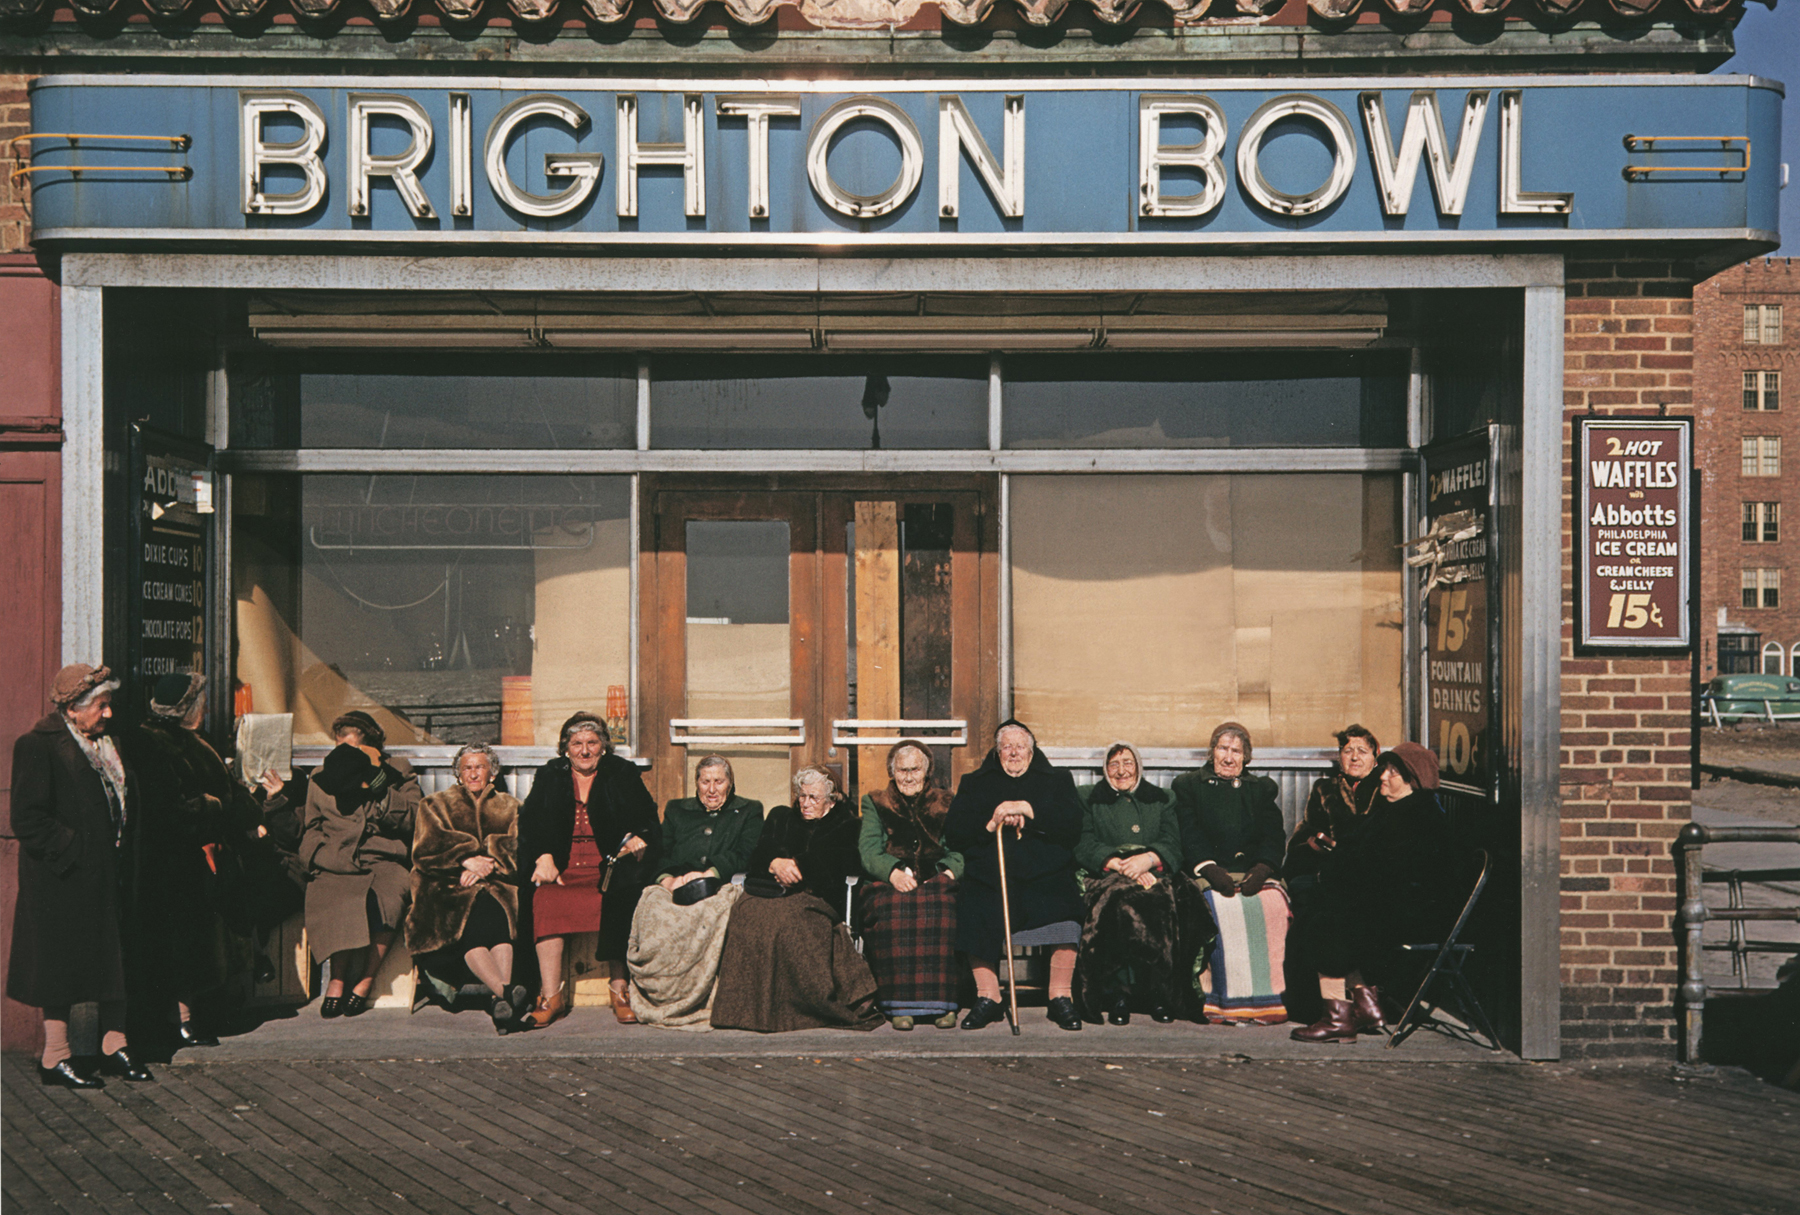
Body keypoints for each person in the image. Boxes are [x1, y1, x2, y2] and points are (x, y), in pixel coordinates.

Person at [8, 664, 152, 1087]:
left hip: (111, 875)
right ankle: (55, 1056)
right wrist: (77, 851)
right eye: (100, 706)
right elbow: (28, 819)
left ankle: (114, 1045)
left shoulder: (112, 745)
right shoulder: (38, 747)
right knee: (60, 967)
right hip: (64, 880)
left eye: (109, 704)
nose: (108, 714)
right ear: (72, 708)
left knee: (116, 960)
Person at [117, 672, 260, 1051]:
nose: (207, 708)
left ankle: (202, 1011)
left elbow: (225, 788)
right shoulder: (151, 744)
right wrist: (210, 807)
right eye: (201, 702)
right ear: (186, 708)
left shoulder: (194, 741)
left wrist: (248, 810)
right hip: (171, 860)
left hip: (204, 855)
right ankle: (180, 1020)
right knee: (179, 944)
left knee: (204, 938)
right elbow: (165, 807)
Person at [1290, 742, 1466, 1044]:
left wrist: (1338, 871)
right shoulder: (1397, 812)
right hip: (1397, 907)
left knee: (1327, 922)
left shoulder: (1417, 819)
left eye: (1393, 772)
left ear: (1413, 780)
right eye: (1385, 769)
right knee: (1325, 907)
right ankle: (1365, 1003)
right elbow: (1364, 860)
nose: (1383, 776)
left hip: (1414, 918)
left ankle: (1338, 1018)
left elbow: (1386, 873)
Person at [711, 766, 882, 1033]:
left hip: (815, 898)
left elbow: (837, 864)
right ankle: (742, 1008)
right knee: (745, 914)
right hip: (769, 891)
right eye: (801, 796)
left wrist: (798, 866)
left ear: (831, 799)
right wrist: (774, 863)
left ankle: (786, 1010)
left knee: (784, 925)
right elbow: (758, 853)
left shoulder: (847, 825)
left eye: (813, 797)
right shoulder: (781, 816)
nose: (805, 803)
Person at [517, 711, 659, 1029]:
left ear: (603, 747)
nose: (584, 750)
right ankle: (550, 996)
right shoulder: (551, 775)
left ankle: (619, 989)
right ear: (565, 748)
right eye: (577, 743)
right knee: (543, 900)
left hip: (607, 868)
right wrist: (543, 855)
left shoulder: (620, 773)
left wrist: (638, 837)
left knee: (621, 896)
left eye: (592, 743)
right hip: (563, 869)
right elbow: (529, 821)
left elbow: (648, 817)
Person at [945, 720, 1086, 1032]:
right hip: (992, 874)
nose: (1013, 752)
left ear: (1032, 752)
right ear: (997, 752)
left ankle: (1060, 996)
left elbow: (1073, 827)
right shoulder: (975, 782)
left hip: (1045, 874)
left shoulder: (1057, 780)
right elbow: (954, 834)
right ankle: (989, 997)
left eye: (1019, 746)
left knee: (1066, 900)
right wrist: (990, 823)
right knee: (974, 900)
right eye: (1006, 746)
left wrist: (1029, 810)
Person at [1072, 742, 1213, 1026]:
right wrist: (1119, 864)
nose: (1121, 770)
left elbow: (1173, 841)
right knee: (1119, 899)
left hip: (1153, 871)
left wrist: (1148, 859)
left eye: (1127, 763)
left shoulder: (1162, 798)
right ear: (1105, 769)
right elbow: (1083, 841)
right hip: (1107, 873)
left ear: (1138, 766)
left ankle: (1159, 993)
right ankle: (1118, 994)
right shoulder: (1088, 797)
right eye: (1114, 764)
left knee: (1161, 899)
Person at [626, 755, 763, 1030]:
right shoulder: (677, 810)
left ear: (730, 783)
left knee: (710, 912)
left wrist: (709, 874)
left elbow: (748, 853)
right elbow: (661, 852)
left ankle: (701, 997)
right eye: (705, 781)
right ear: (697, 784)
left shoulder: (749, 810)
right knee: (653, 907)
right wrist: (666, 880)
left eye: (719, 781)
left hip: (721, 882)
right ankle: (662, 995)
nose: (712, 789)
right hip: (677, 882)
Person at [298, 712, 420, 1018]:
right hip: (336, 857)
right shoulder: (321, 776)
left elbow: (417, 819)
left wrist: (382, 791)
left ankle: (366, 980)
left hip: (383, 857)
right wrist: (319, 856)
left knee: (389, 899)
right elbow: (311, 827)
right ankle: (337, 980)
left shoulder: (396, 771)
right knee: (337, 898)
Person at [1173, 722, 1291, 1024]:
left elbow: (1273, 835)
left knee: (1274, 906)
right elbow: (1188, 832)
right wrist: (1209, 868)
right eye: (1223, 748)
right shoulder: (1188, 785)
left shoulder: (1260, 789)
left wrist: (1263, 868)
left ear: (1246, 757)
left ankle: (1269, 1000)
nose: (1228, 757)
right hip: (1208, 872)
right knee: (1216, 907)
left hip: (1252, 872)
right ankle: (1219, 1000)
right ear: (1212, 751)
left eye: (1236, 751)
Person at [405, 743, 525, 1035]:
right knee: (469, 918)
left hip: (497, 883)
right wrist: (466, 859)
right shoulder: (434, 805)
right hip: (445, 885)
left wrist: (490, 863)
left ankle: (502, 1002)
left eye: (480, 767)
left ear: (492, 773)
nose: (473, 773)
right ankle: (508, 994)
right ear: (458, 774)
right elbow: (425, 849)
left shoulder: (512, 807)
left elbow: (521, 848)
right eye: (467, 768)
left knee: (497, 916)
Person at [856, 741, 964, 1030]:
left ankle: (944, 1005)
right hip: (888, 881)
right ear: (892, 772)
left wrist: (947, 873)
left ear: (926, 772)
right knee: (894, 909)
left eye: (914, 769)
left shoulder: (946, 801)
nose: (908, 776)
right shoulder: (875, 801)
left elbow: (959, 848)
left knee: (943, 908)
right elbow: (868, 850)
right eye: (901, 770)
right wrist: (892, 873)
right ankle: (899, 1006)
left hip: (936, 879)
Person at [1282, 725, 1382, 1023]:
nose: (1354, 757)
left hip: (1367, 877)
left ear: (1375, 757)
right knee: (1307, 904)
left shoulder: (1384, 787)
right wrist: (1311, 844)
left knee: (1329, 914)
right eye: (1347, 751)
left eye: (1362, 751)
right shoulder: (1325, 789)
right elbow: (1304, 834)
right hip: (1325, 870)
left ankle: (1341, 1006)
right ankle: (1331, 1002)